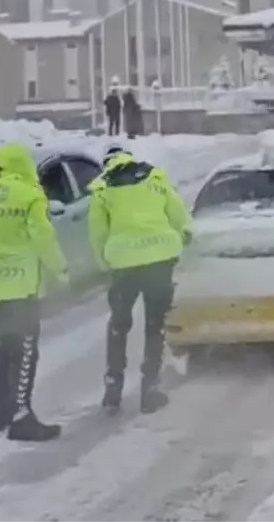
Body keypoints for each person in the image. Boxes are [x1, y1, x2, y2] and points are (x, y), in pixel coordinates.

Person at [0, 143, 69, 441]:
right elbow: (42, 237)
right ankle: (22, 417)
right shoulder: (30, 195)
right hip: (20, 287)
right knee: (24, 352)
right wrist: (60, 270)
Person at [88, 146, 190, 414]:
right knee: (155, 324)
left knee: (119, 323)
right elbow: (177, 214)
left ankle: (113, 385)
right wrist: (183, 238)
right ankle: (150, 389)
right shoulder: (155, 177)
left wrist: (104, 264)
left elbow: (98, 232)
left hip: (124, 264)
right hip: (160, 257)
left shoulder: (103, 188)